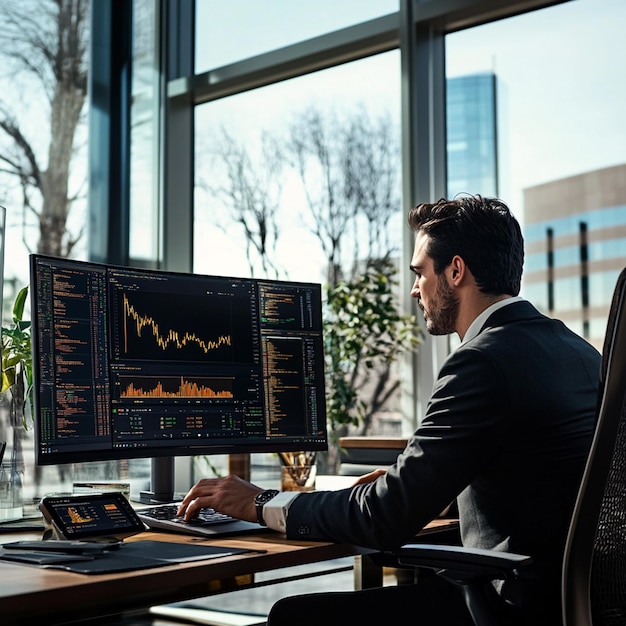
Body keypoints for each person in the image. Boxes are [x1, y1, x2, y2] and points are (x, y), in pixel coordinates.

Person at [178, 195, 601, 626]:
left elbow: (382, 518)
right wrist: (427, 487)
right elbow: (546, 482)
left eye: (420, 272)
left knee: (293, 616)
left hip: (507, 606)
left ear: (455, 271)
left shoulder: (482, 362)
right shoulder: (580, 353)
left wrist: (260, 501)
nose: (415, 288)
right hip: (571, 601)